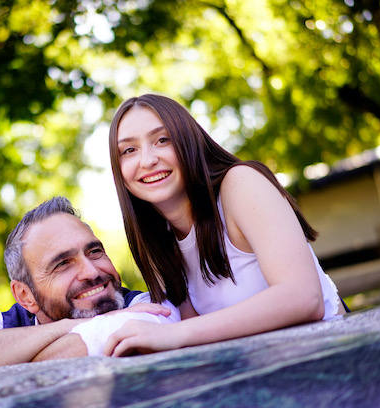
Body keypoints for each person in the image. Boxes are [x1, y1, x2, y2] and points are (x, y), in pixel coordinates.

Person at [103, 93, 347, 357]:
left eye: (163, 140)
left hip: (331, 354)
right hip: (258, 374)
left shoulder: (240, 185)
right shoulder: (158, 239)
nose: (147, 160)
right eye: (129, 150)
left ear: (188, 142)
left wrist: (174, 334)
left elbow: (303, 298)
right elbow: (199, 335)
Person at [0, 197, 179, 386]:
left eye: (95, 251)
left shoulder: (148, 304)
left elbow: (138, 329)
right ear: (25, 296)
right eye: (62, 264)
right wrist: (68, 327)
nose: (92, 272)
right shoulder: (3, 323)